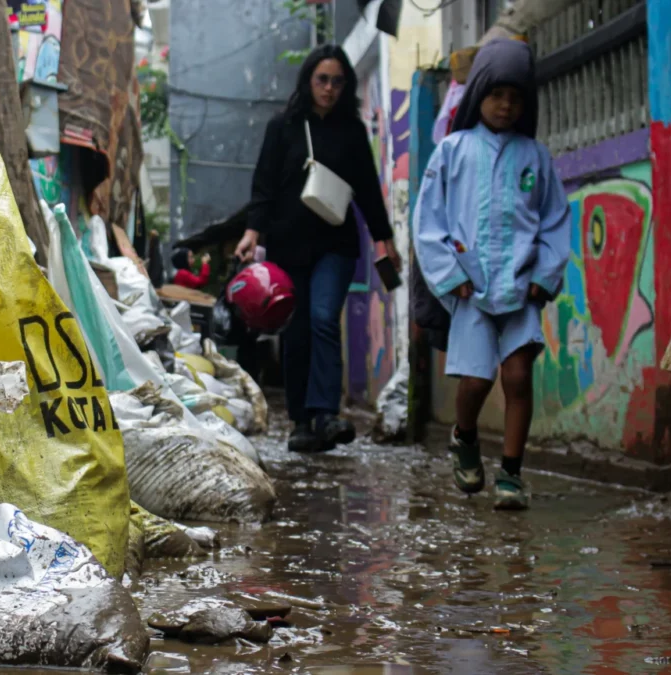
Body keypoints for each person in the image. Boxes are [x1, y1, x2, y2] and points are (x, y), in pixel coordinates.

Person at [412, 38, 571, 510]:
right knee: (477, 381)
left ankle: (512, 474)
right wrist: (449, 275)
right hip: (471, 288)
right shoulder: (452, 152)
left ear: (526, 104)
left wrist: (545, 274)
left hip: (522, 288)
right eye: (497, 94)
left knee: (518, 376)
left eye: (515, 97)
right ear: (478, 94)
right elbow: (429, 221)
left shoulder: (536, 157)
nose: (506, 105)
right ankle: (464, 436)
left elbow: (555, 220)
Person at [235, 44, 402, 454]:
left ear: (346, 87)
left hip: (336, 245)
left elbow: (367, 190)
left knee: (324, 317)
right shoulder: (283, 127)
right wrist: (252, 232)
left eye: (337, 82)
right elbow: (264, 185)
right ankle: (301, 420)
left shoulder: (352, 131)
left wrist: (385, 239)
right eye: (322, 80)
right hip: (288, 246)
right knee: (298, 328)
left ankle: (326, 412)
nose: (329, 89)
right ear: (308, 81)